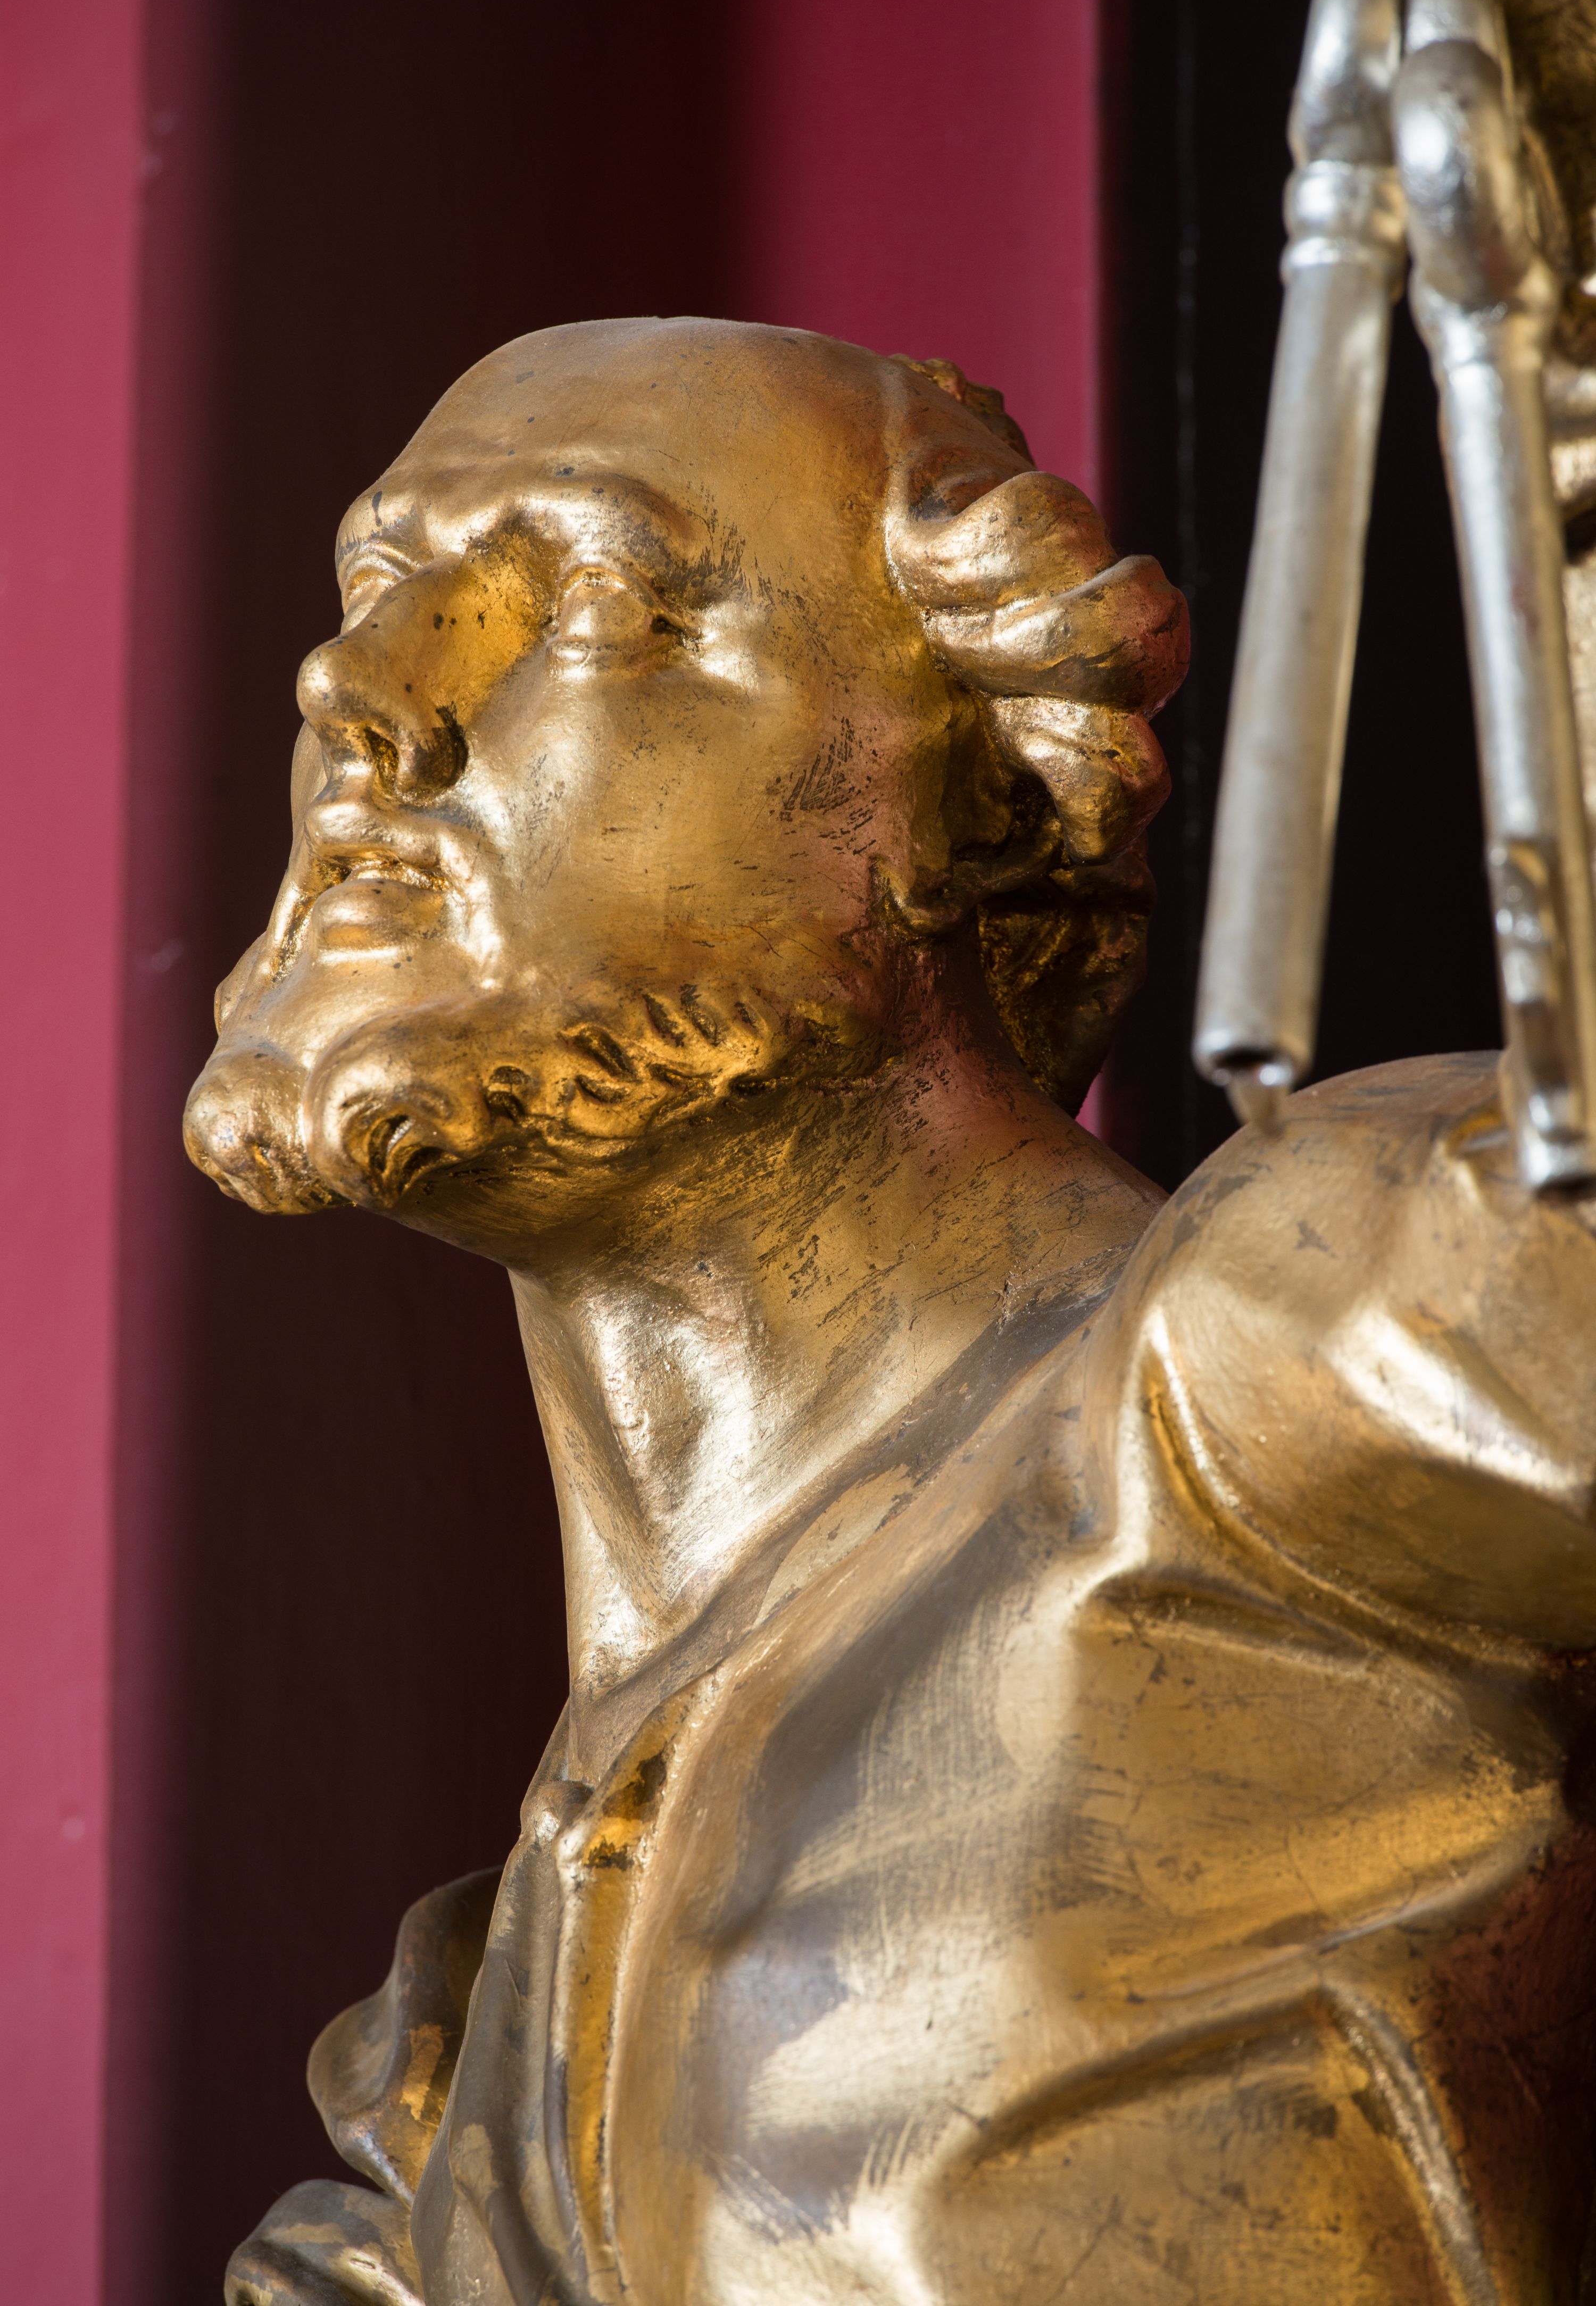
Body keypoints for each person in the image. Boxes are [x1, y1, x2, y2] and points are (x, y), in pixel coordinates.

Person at [188, 318, 1596, 2305]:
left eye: (595, 599)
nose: (361, 689)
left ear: (967, 804)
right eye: (379, 587)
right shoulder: (451, 2076)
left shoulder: (1252, 1374)